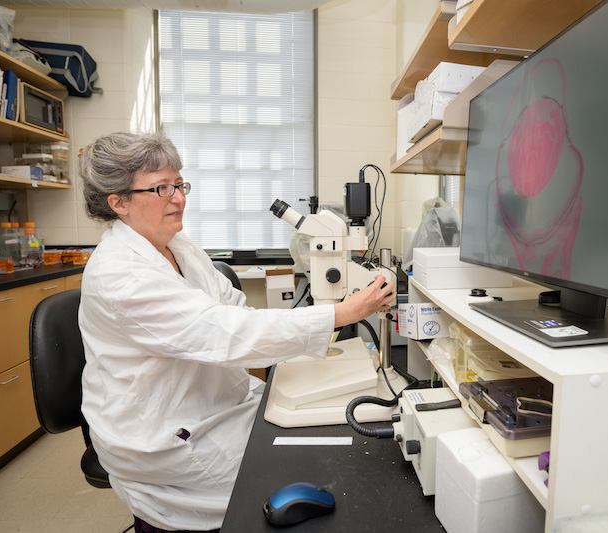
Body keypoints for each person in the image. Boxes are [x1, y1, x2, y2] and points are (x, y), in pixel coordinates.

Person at [78, 131, 395, 532]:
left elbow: (233, 308)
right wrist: (340, 314)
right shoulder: (120, 275)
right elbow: (225, 333)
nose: (179, 198)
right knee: (295, 471)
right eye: (161, 188)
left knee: (317, 432)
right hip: (166, 436)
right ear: (118, 202)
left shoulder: (177, 245)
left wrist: (314, 327)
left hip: (215, 402)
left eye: (179, 184)